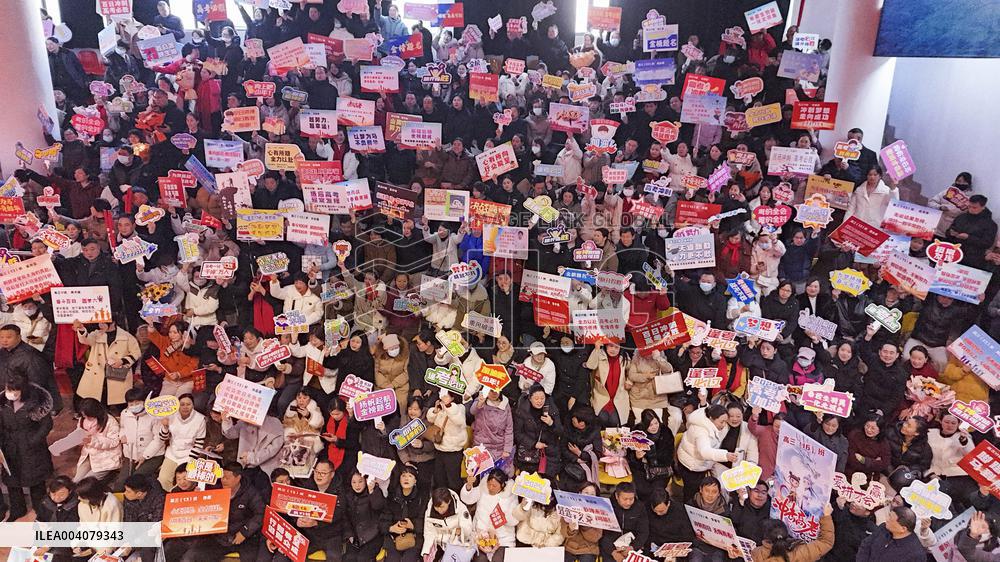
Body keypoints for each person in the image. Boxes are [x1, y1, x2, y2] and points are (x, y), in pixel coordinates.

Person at [0, 374, 54, 521]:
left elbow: (46, 424)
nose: (10, 393)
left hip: (31, 447)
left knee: (36, 481)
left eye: (14, 391)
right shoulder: (2, 403)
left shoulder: (36, 403)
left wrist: (34, 440)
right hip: (9, 446)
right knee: (12, 481)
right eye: (8, 389)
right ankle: (17, 510)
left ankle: (41, 511)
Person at [677, 405, 738, 501]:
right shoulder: (701, 432)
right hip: (691, 465)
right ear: (711, 418)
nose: (724, 425)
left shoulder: (710, 421)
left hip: (702, 463)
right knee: (691, 492)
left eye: (726, 422)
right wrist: (725, 455)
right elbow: (704, 452)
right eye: (721, 422)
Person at [751, 503, 834, 561]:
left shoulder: (758, 554)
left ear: (766, 537)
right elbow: (826, 542)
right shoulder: (800, 553)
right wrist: (826, 516)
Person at [856, 506, 926, 562]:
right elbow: (866, 545)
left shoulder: (916, 554)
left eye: (891, 519)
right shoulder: (883, 527)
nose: (887, 520)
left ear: (903, 529)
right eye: (889, 516)